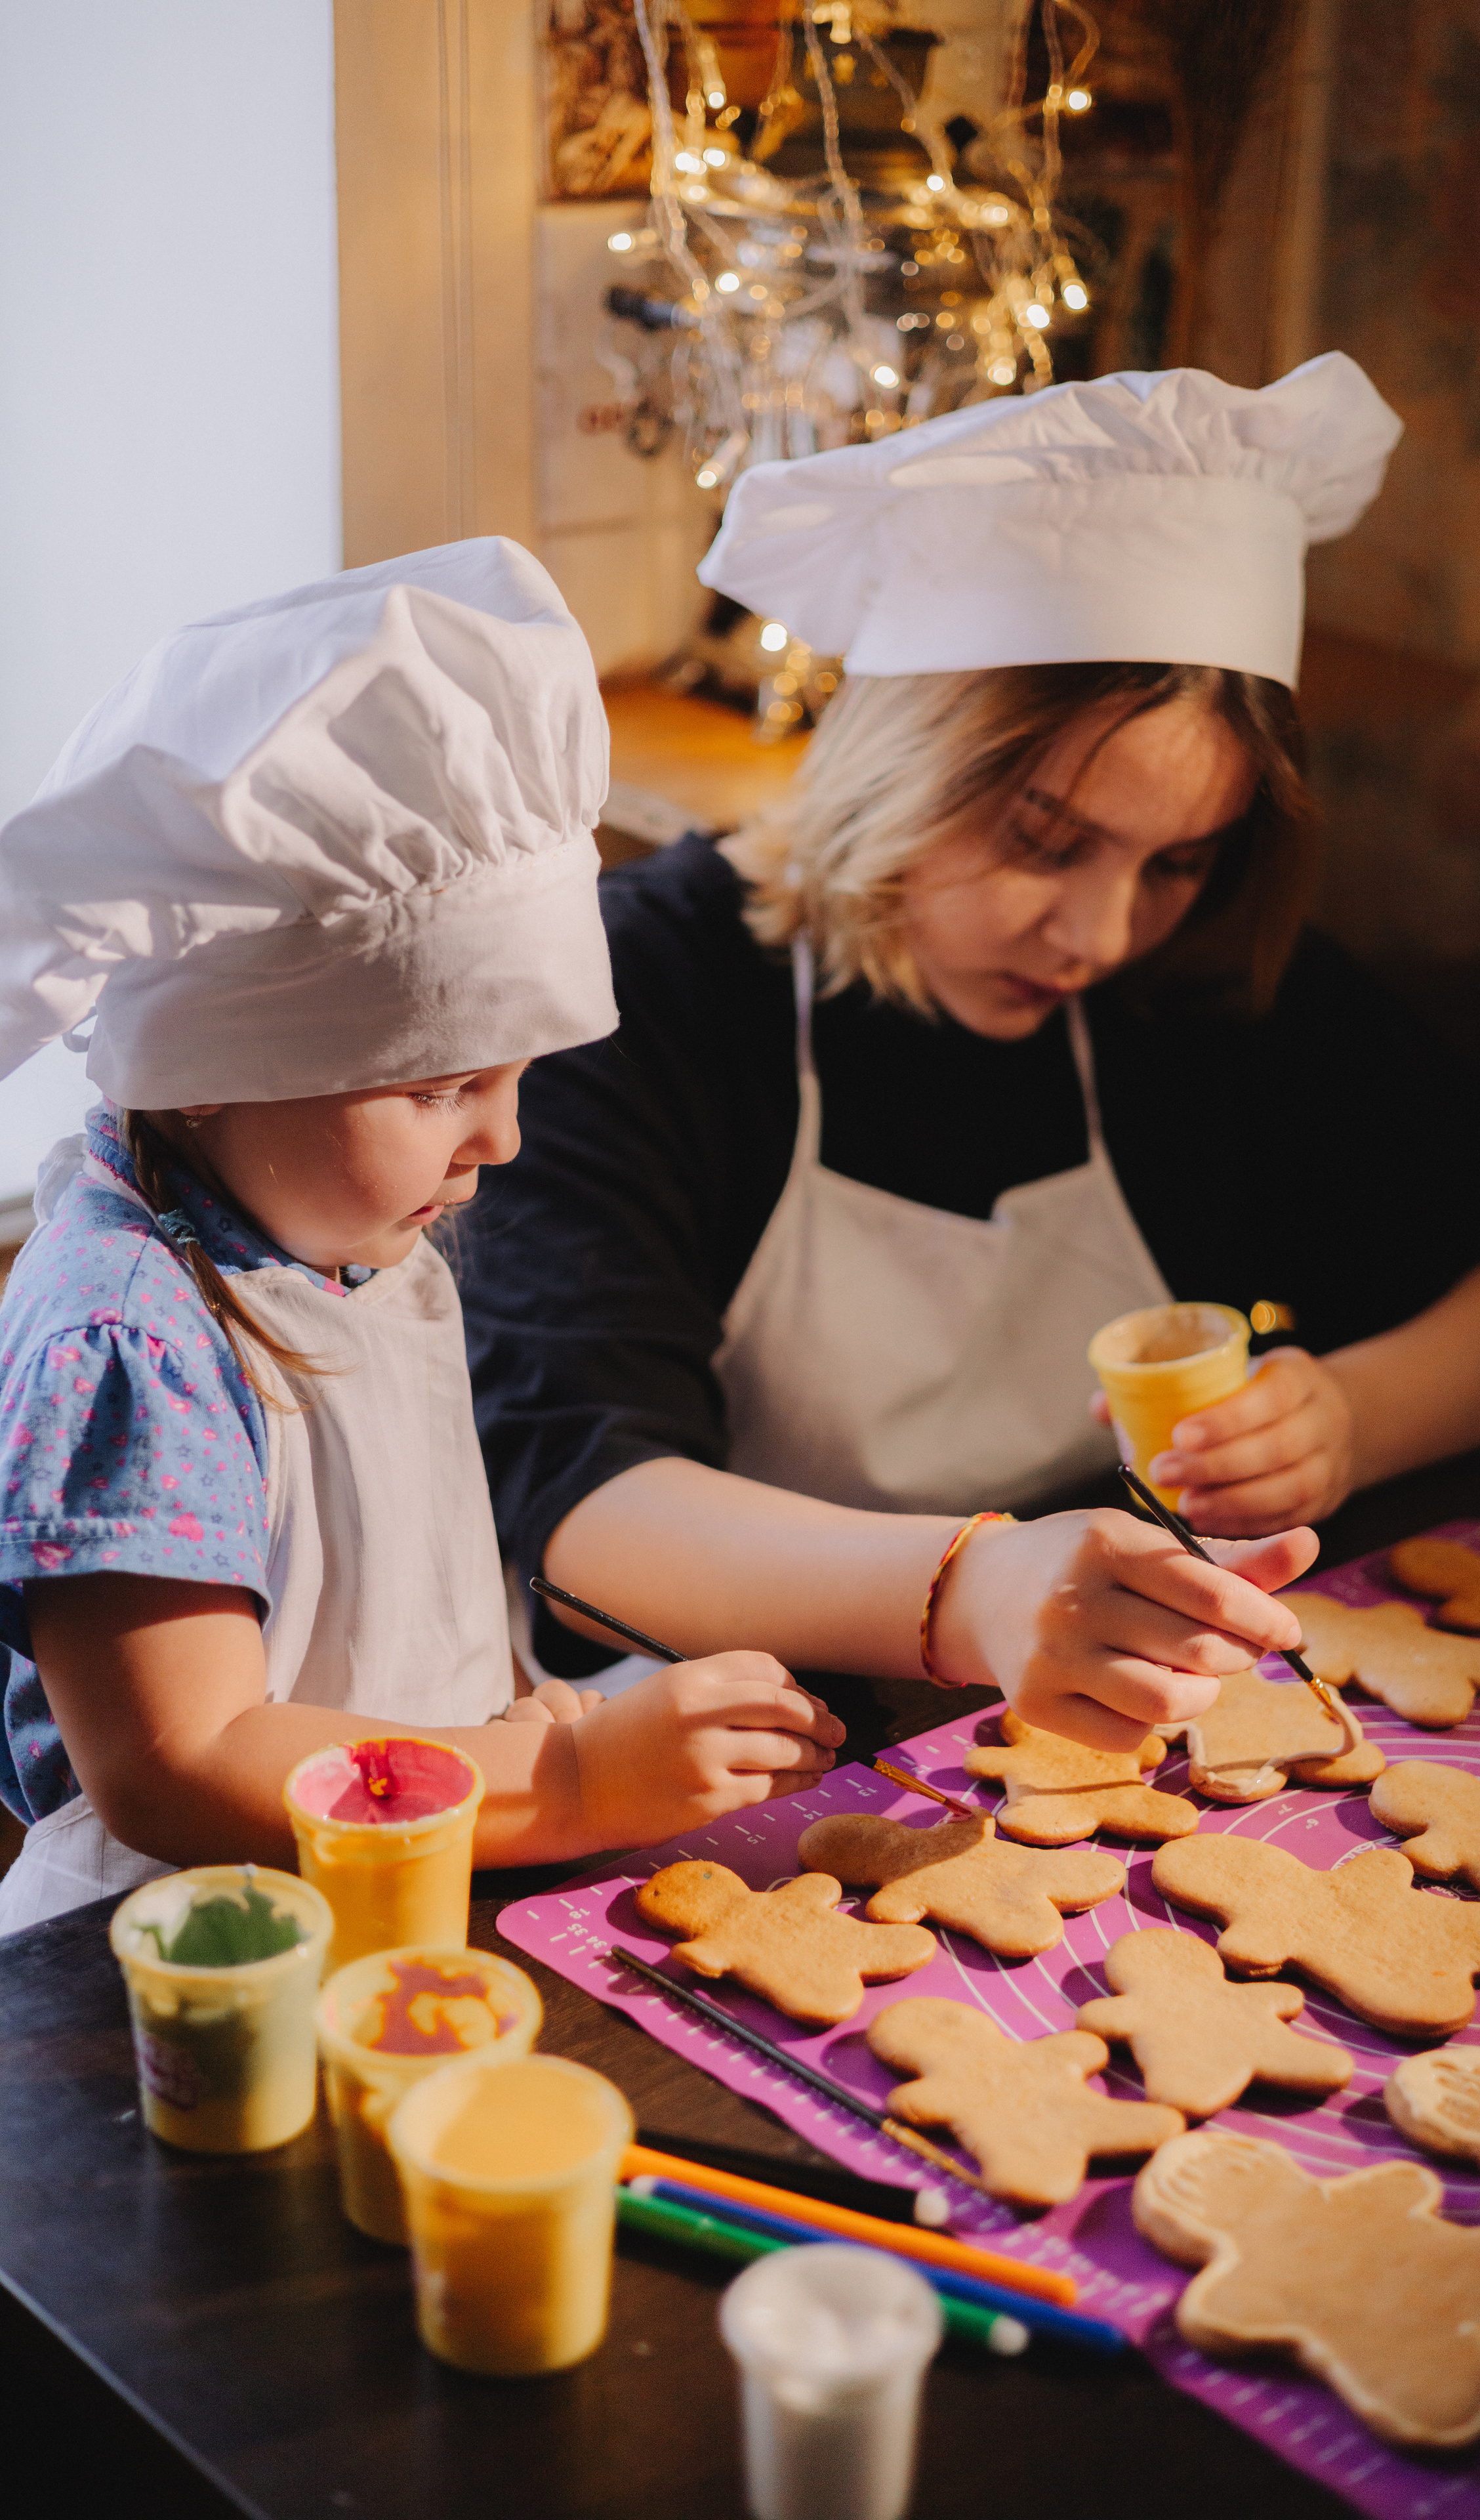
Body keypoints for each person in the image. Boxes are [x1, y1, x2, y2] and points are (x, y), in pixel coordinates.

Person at [462, 357, 1480, 1719]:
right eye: (1045, 841)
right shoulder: (643, 991)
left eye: (1176, 864)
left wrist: (1348, 1415)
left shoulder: (1197, 994)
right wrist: (972, 1593)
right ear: (895, 757)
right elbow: (586, 1513)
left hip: (1109, 1704)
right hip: (725, 1738)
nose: (1098, 936)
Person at [0, 539, 850, 1929]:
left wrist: (527, 1719)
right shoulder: (132, 1335)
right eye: (441, 1086)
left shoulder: (340, 1225)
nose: (500, 1140)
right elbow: (182, 1760)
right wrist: (563, 1780)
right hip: (203, 1954)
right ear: (211, 1064)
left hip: (410, 1875)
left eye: (515, 1078)